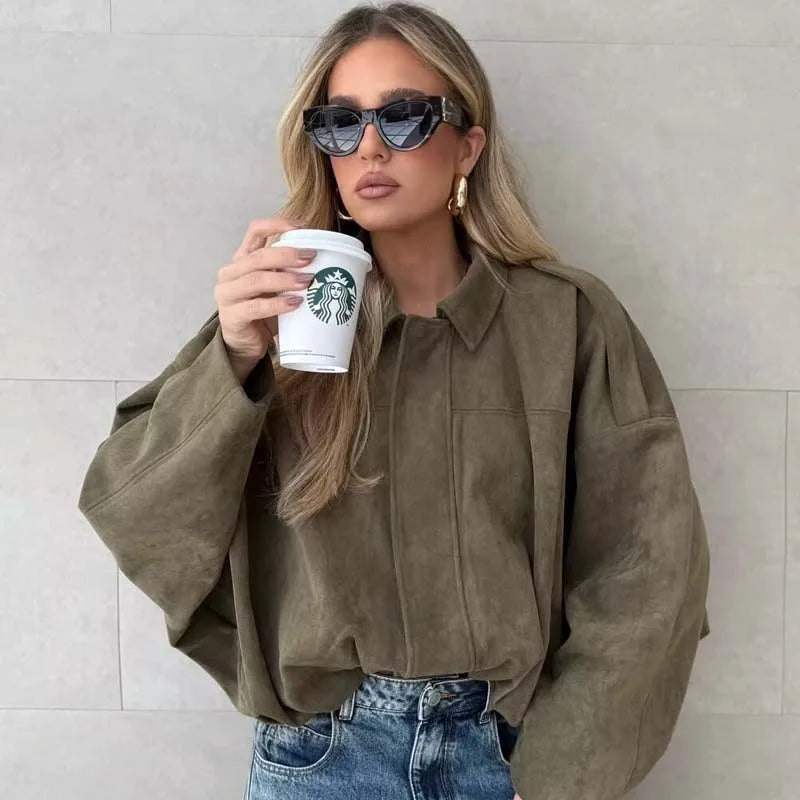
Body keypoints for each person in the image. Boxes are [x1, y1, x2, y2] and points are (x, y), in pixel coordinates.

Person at [76, 3, 712, 799]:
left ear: (466, 145)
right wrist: (235, 359)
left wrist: (555, 775)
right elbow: (135, 515)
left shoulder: (567, 322)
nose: (369, 145)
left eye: (404, 116)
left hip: (508, 755)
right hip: (321, 761)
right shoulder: (275, 317)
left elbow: (647, 571)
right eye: (340, 122)